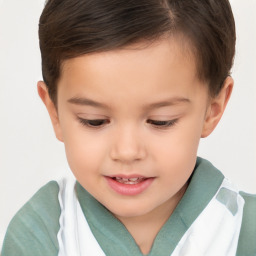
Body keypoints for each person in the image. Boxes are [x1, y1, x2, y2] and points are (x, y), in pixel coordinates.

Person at [1, 0, 256, 255]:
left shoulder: (245, 231)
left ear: (213, 108)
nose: (127, 151)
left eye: (161, 121)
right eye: (94, 121)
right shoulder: (40, 236)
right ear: (54, 111)